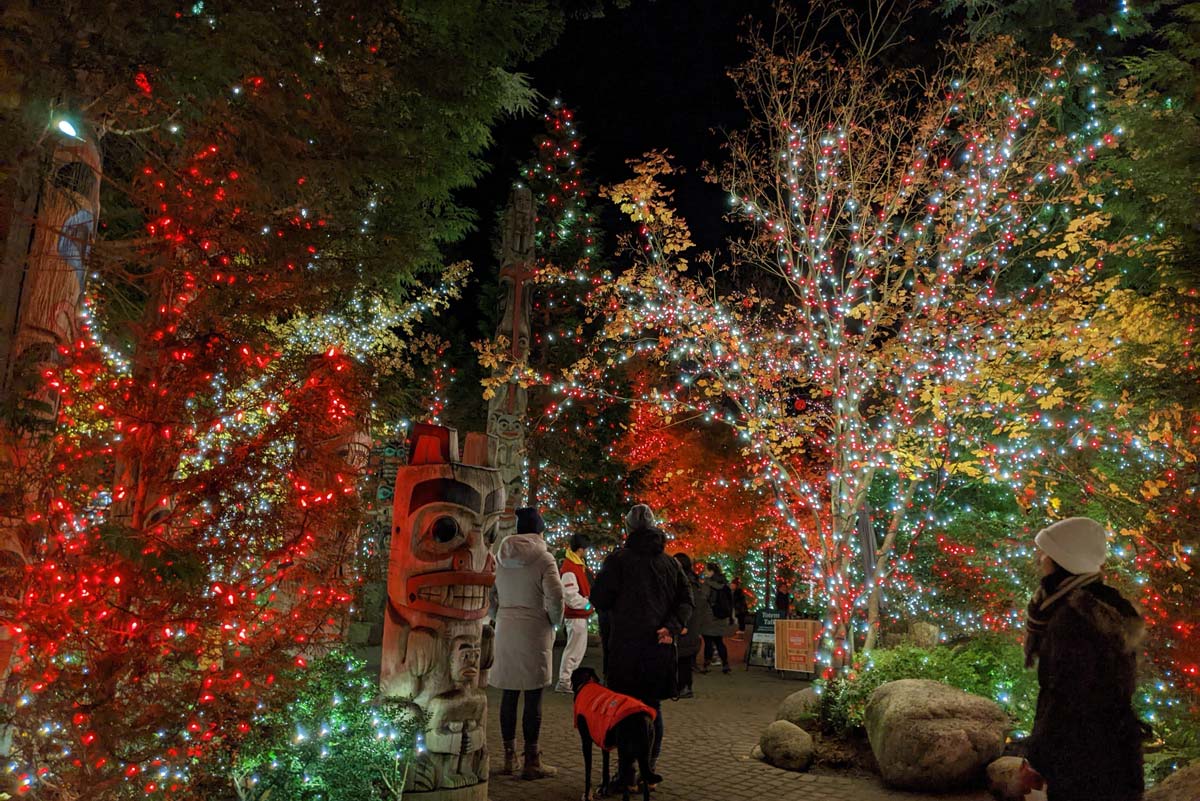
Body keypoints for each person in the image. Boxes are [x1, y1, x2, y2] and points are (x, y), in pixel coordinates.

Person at [1019, 517, 1145, 801]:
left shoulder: (1074, 619)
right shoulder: (1101, 605)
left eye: (1047, 553)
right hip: (1109, 752)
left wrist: (1037, 755)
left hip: (1082, 759)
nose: (1041, 559)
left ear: (1065, 559)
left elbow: (1067, 698)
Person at [591, 504, 693, 782]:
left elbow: (599, 598)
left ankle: (627, 772)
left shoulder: (618, 561)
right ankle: (649, 767)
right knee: (652, 708)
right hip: (658, 647)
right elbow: (686, 600)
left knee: (625, 709)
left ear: (628, 529)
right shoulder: (670, 563)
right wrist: (671, 626)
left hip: (625, 647)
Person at [489, 507, 564, 780]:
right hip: (534, 627)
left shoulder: (500, 556)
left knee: (509, 694)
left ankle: (508, 756)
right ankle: (532, 760)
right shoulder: (544, 558)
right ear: (540, 531)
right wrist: (554, 621)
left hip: (506, 627)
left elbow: (490, 593)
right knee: (534, 694)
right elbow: (556, 597)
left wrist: (497, 616)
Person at [554, 533, 593, 693]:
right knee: (574, 650)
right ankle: (564, 680)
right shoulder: (571, 568)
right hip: (576, 616)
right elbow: (570, 596)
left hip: (578, 616)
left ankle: (567, 680)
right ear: (581, 549)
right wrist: (588, 605)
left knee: (576, 650)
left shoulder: (575, 566)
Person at [693, 562, 735, 673]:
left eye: (706, 570)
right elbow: (730, 600)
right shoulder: (725, 583)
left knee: (708, 642)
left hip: (709, 616)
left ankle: (706, 665)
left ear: (711, 571)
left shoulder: (707, 584)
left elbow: (702, 599)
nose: (705, 572)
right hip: (721, 616)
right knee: (719, 641)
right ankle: (725, 664)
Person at [672, 553, 703, 698]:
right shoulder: (692, 581)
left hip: (686, 625)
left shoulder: (687, 582)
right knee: (683, 657)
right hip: (689, 625)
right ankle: (682, 686)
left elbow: (690, 606)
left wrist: (684, 624)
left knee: (683, 657)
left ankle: (684, 686)